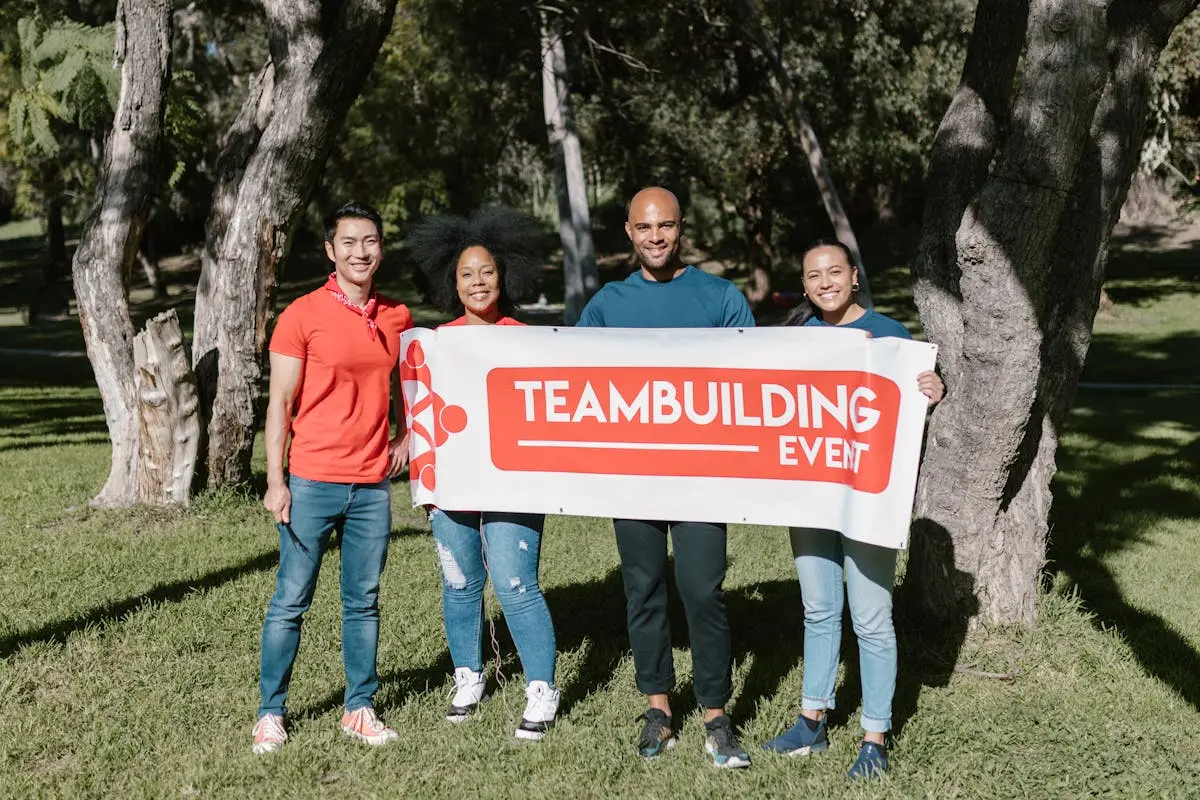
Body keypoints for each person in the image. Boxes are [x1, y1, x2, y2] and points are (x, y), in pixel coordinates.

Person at [576, 186, 754, 769]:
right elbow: (568, 379)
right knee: (644, 588)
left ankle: (716, 713)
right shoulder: (606, 304)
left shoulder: (720, 297)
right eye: (645, 228)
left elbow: (760, 379)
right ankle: (658, 707)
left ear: (682, 230)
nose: (656, 238)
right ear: (628, 232)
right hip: (634, 476)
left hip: (703, 474)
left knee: (702, 590)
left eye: (667, 227)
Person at [761, 238, 944, 779]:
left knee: (870, 617)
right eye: (813, 276)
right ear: (804, 286)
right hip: (812, 496)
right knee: (818, 609)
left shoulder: (893, 336)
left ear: (854, 276)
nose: (825, 283)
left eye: (834, 272)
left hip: (867, 498)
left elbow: (904, 416)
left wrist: (930, 392)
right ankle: (811, 720)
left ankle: (875, 736)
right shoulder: (798, 338)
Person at [252, 202, 412, 755]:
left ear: (381, 247)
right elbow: (279, 403)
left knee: (362, 600)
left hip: (372, 486)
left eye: (369, 241)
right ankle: (270, 714)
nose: (360, 252)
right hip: (312, 480)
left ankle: (359, 708)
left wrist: (406, 437)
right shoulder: (301, 314)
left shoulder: (397, 316)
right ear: (330, 250)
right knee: (291, 599)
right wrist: (276, 480)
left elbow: (404, 390)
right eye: (349, 243)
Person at [408, 208, 560, 741]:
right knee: (459, 582)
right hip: (451, 479)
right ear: (452, 281)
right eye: (467, 273)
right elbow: (420, 409)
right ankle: (468, 676)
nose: (478, 281)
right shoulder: (434, 343)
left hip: (513, 482)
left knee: (517, 583)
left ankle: (542, 688)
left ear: (505, 276)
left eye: (487, 272)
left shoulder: (529, 339)